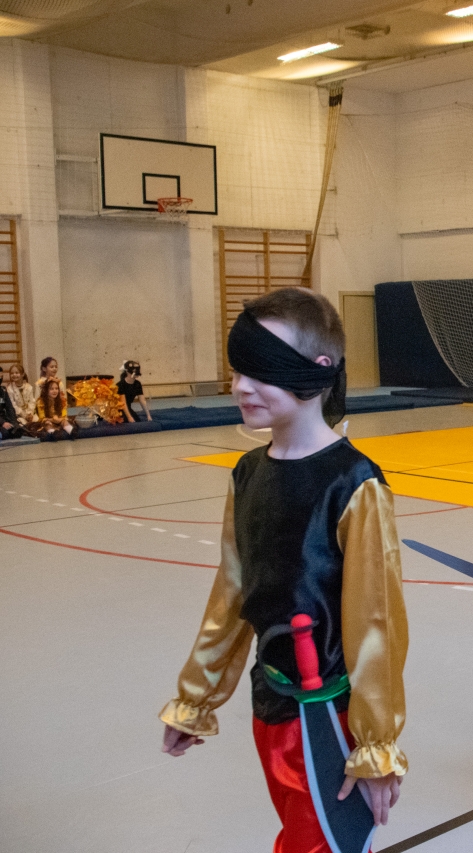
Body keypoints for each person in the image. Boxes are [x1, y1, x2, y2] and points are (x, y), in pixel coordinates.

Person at [158, 288, 408, 848]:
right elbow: (233, 595)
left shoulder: (354, 484)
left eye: (261, 371)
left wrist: (375, 745)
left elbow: (377, 624)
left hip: (328, 719)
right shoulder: (247, 474)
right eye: (237, 370)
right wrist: (196, 699)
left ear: (316, 372)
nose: (240, 387)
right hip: (270, 706)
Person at [5, 364, 36, 428]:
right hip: (17, 415)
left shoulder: (29, 387)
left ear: (22, 374)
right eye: (12, 373)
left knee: (37, 422)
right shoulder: (10, 389)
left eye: (17, 373)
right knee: (22, 425)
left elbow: (32, 401)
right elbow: (13, 405)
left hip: (29, 414)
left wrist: (30, 413)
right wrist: (24, 415)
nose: (14, 375)